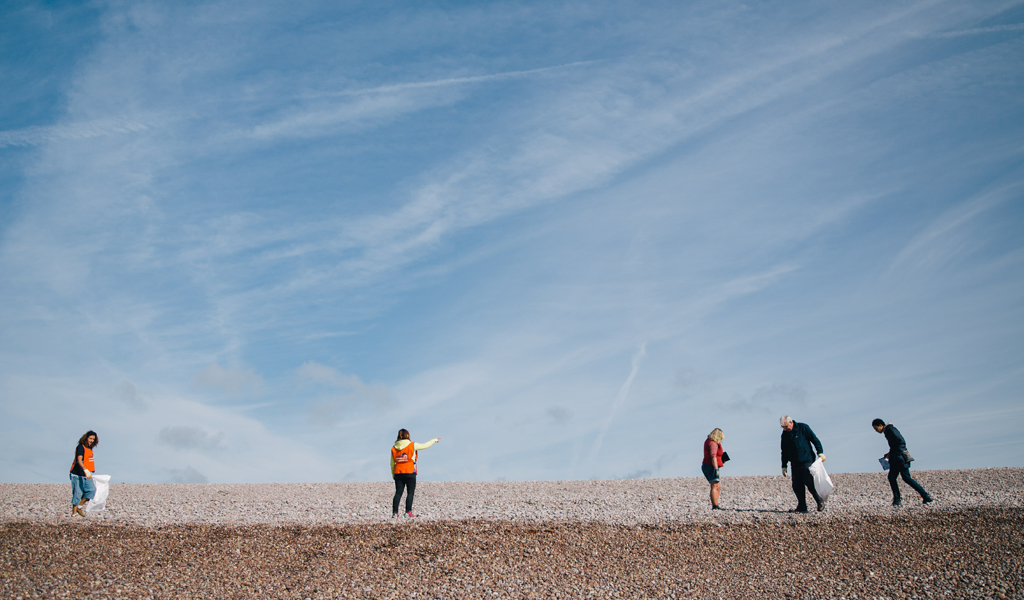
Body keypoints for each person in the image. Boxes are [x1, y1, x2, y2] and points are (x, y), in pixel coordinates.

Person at [872, 419, 933, 506]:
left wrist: (896, 452)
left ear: (880, 425)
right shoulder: (888, 431)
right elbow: (896, 444)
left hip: (899, 458)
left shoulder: (890, 429)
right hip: (896, 458)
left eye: (876, 428)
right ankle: (900, 499)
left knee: (903, 478)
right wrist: (890, 453)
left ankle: (923, 496)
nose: (876, 431)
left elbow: (901, 441)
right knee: (896, 478)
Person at [780, 415, 826, 513]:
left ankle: (819, 501)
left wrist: (820, 452)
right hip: (795, 463)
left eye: (786, 427)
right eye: (783, 427)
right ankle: (802, 507)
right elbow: (784, 451)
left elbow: (815, 440)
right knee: (796, 485)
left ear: (791, 422)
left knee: (809, 483)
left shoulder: (803, 428)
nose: (785, 429)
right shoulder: (784, 435)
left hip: (807, 461)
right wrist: (784, 465)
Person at [390, 429, 440, 518]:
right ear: (407, 435)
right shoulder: (412, 445)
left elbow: (391, 463)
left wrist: (393, 474)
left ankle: (395, 513)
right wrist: (434, 440)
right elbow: (425, 445)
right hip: (409, 471)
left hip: (398, 472)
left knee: (398, 493)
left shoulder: (394, 448)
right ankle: (408, 512)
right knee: (410, 492)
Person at [70, 431, 98, 517]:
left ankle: (80, 506)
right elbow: (79, 460)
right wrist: (85, 469)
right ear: (86, 438)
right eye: (90, 438)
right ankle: (74, 514)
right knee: (77, 493)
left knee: (91, 490)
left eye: (93, 439)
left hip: (86, 474)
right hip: (77, 474)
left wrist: (88, 471)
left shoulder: (89, 449)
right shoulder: (80, 447)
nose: (91, 440)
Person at [702, 428, 726, 510]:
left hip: (710, 465)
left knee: (717, 486)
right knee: (715, 485)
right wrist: (716, 469)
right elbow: (713, 456)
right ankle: (715, 506)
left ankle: (716, 504)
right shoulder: (713, 443)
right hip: (710, 466)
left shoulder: (709, 441)